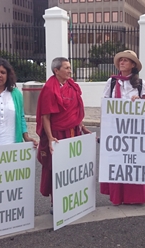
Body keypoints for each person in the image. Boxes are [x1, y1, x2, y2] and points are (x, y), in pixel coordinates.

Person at [36, 57, 90, 213]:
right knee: (57, 167)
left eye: (70, 67)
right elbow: (45, 117)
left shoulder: (72, 86)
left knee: (73, 166)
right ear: (56, 71)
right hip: (58, 133)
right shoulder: (49, 89)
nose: (69, 71)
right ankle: (56, 201)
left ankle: (72, 197)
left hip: (73, 131)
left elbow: (75, 112)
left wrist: (82, 126)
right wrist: (50, 137)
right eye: (66, 68)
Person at [100, 50, 145, 205]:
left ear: (133, 65)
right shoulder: (112, 82)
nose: (122, 62)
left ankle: (135, 197)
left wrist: (140, 101)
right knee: (118, 162)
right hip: (116, 129)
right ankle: (118, 196)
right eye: (120, 60)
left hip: (134, 130)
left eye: (126, 60)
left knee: (133, 162)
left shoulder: (142, 84)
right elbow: (105, 104)